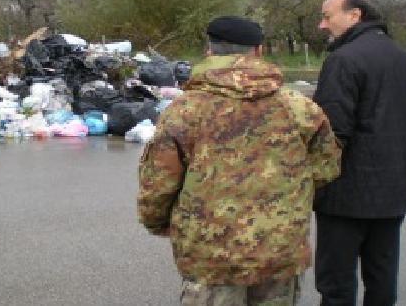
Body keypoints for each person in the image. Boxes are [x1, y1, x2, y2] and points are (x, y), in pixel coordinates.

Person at [137, 16, 342, 305]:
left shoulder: (184, 110)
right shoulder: (299, 107)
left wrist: (157, 222)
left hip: (211, 254)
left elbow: (158, 182)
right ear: (258, 51)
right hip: (279, 250)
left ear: (209, 51)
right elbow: (326, 167)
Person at [312, 0, 406, 306]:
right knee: (382, 277)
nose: (323, 24)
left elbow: (331, 132)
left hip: (346, 195)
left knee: (336, 283)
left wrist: (310, 179)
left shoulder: (343, 60)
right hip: (396, 192)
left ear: (355, 15)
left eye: (328, 15)